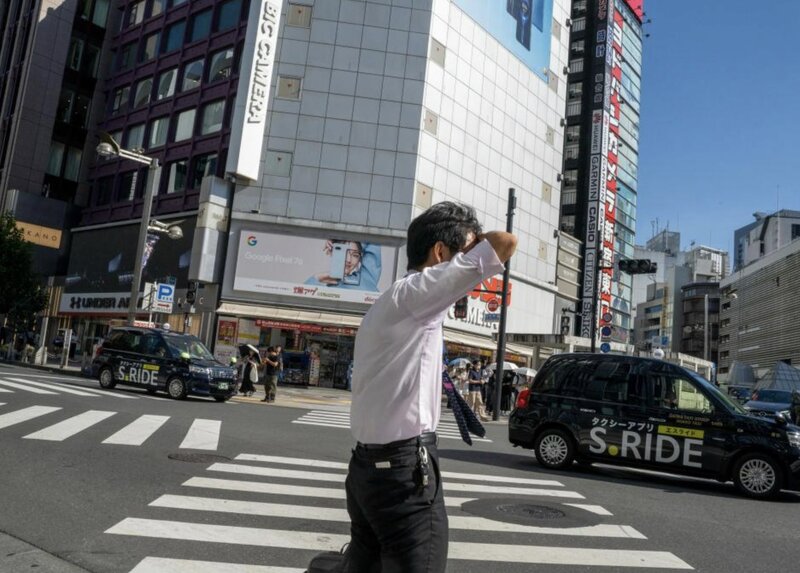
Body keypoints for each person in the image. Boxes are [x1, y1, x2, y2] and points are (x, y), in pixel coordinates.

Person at [342, 201, 516, 571]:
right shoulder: (420, 292)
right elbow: (504, 242)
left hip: (367, 471)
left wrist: (465, 245)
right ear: (440, 252)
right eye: (464, 253)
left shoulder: (393, 300)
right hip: (402, 474)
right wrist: (475, 243)